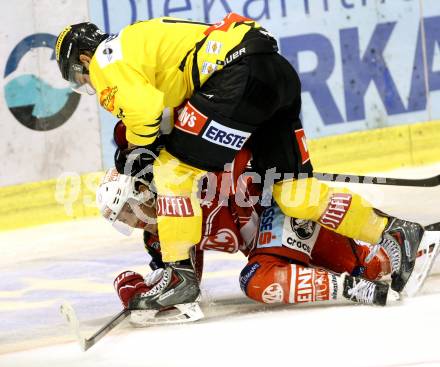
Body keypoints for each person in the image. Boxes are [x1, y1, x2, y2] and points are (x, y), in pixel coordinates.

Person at [56, 13, 424, 311]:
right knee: (296, 194)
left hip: (235, 75)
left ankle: (179, 278)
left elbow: (145, 112)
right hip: (272, 69)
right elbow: (165, 109)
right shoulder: (136, 44)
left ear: (83, 58)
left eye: (78, 75)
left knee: (171, 172)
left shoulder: (106, 59)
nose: (86, 82)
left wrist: (133, 154)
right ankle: (393, 231)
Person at [96, 148, 397, 324]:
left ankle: (387, 254)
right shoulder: (159, 234)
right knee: (260, 278)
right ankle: (359, 277)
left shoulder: (185, 184)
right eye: (123, 222)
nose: (134, 225)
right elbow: (180, 288)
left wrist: (265, 171)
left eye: (128, 214)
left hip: (279, 209)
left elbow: (240, 147)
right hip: (264, 241)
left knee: (366, 266)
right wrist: (128, 286)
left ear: (142, 191)